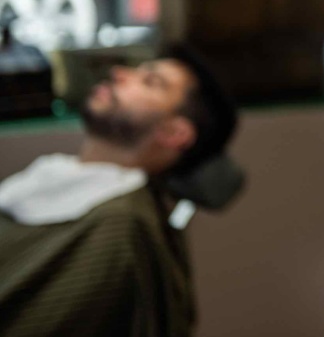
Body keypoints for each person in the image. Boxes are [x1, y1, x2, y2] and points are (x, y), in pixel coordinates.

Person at [0, 44, 239, 337]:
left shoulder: (118, 227)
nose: (118, 73)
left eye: (150, 81)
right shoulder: (61, 177)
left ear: (174, 132)